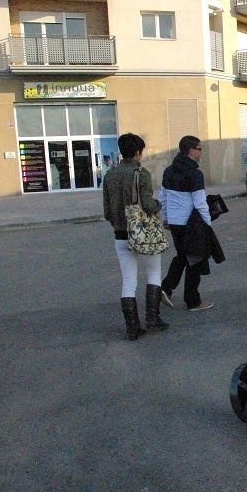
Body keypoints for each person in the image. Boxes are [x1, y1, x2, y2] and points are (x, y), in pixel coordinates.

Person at [103, 132, 168, 340]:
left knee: (128, 281)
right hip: (145, 233)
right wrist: (159, 205)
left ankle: (132, 327)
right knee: (154, 273)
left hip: (121, 235)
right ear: (138, 151)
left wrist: (119, 224)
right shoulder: (142, 173)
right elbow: (148, 205)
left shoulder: (110, 175)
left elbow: (107, 212)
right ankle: (153, 319)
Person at [159, 136, 214, 311]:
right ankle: (193, 301)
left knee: (182, 256)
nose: (201, 152)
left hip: (175, 223)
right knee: (195, 259)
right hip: (191, 223)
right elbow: (200, 202)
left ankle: (166, 288)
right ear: (191, 150)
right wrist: (207, 223)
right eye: (199, 149)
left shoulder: (168, 171)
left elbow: (163, 197)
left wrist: (166, 217)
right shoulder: (194, 173)